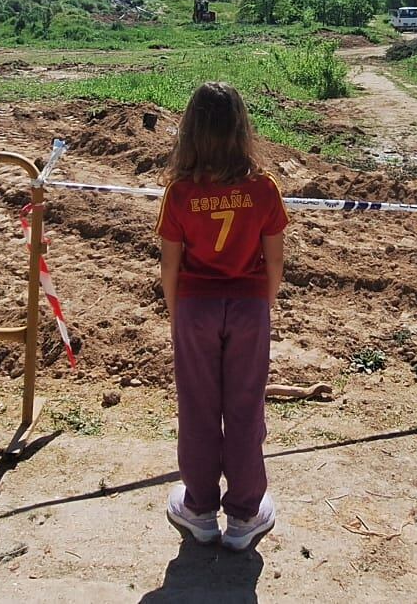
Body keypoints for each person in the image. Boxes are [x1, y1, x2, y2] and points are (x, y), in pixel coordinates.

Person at [156, 82, 287, 551]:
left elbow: (170, 265)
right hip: (249, 305)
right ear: (241, 129)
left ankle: (199, 509)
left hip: (194, 308)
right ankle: (247, 513)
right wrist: (262, 305)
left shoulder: (180, 193)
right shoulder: (264, 189)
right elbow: (274, 261)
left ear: (190, 131)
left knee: (198, 407)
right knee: (245, 406)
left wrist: (178, 314)